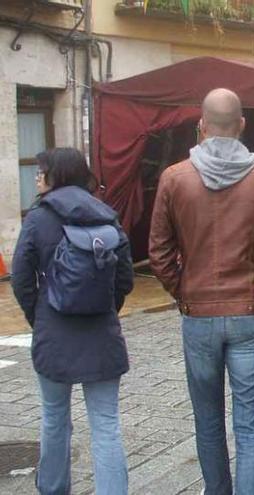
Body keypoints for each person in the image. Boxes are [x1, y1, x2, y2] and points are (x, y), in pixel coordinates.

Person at [149, 88, 254, 494]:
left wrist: (182, 291)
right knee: (250, 425)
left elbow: (159, 252)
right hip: (252, 310)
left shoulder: (173, 178)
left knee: (208, 420)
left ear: (201, 127)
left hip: (198, 313)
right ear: (242, 126)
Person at [12, 148, 133, 495]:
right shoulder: (107, 215)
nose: (36, 177)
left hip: (54, 334)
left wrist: (40, 316)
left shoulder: (38, 217)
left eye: (41, 171)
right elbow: (124, 280)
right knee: (106, 424)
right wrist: (104, 306)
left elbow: (21, 278)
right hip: (102, 335)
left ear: (57, 175)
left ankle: (53, 488)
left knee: (54, 418)